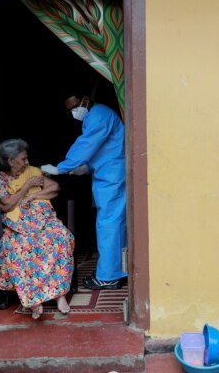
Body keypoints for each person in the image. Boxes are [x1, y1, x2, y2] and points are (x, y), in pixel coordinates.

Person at [41, 92, 127, 290]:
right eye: (69, 109)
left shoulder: (99, 115)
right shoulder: (96, 115)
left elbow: (87, 143)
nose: (73, 112)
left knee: (109, 226)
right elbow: (104, 149)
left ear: (86, 99)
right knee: (114, 225)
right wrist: (85, 168)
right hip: (108, 176)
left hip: (111, 177)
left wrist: (62, 167)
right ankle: (116, 271)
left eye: (75, 106)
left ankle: (108, 277)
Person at [0, 138, 75, 319]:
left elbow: (54, 187)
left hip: (44, 218)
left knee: (61, 236)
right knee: (15, 246)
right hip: (18, 224)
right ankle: (33, 299)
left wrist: (33, 196)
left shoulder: (33, 171)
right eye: (23, 159)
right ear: (11, 160)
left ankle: (60, 295)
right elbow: (6, 204)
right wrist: (27, 187)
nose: (27, 162)